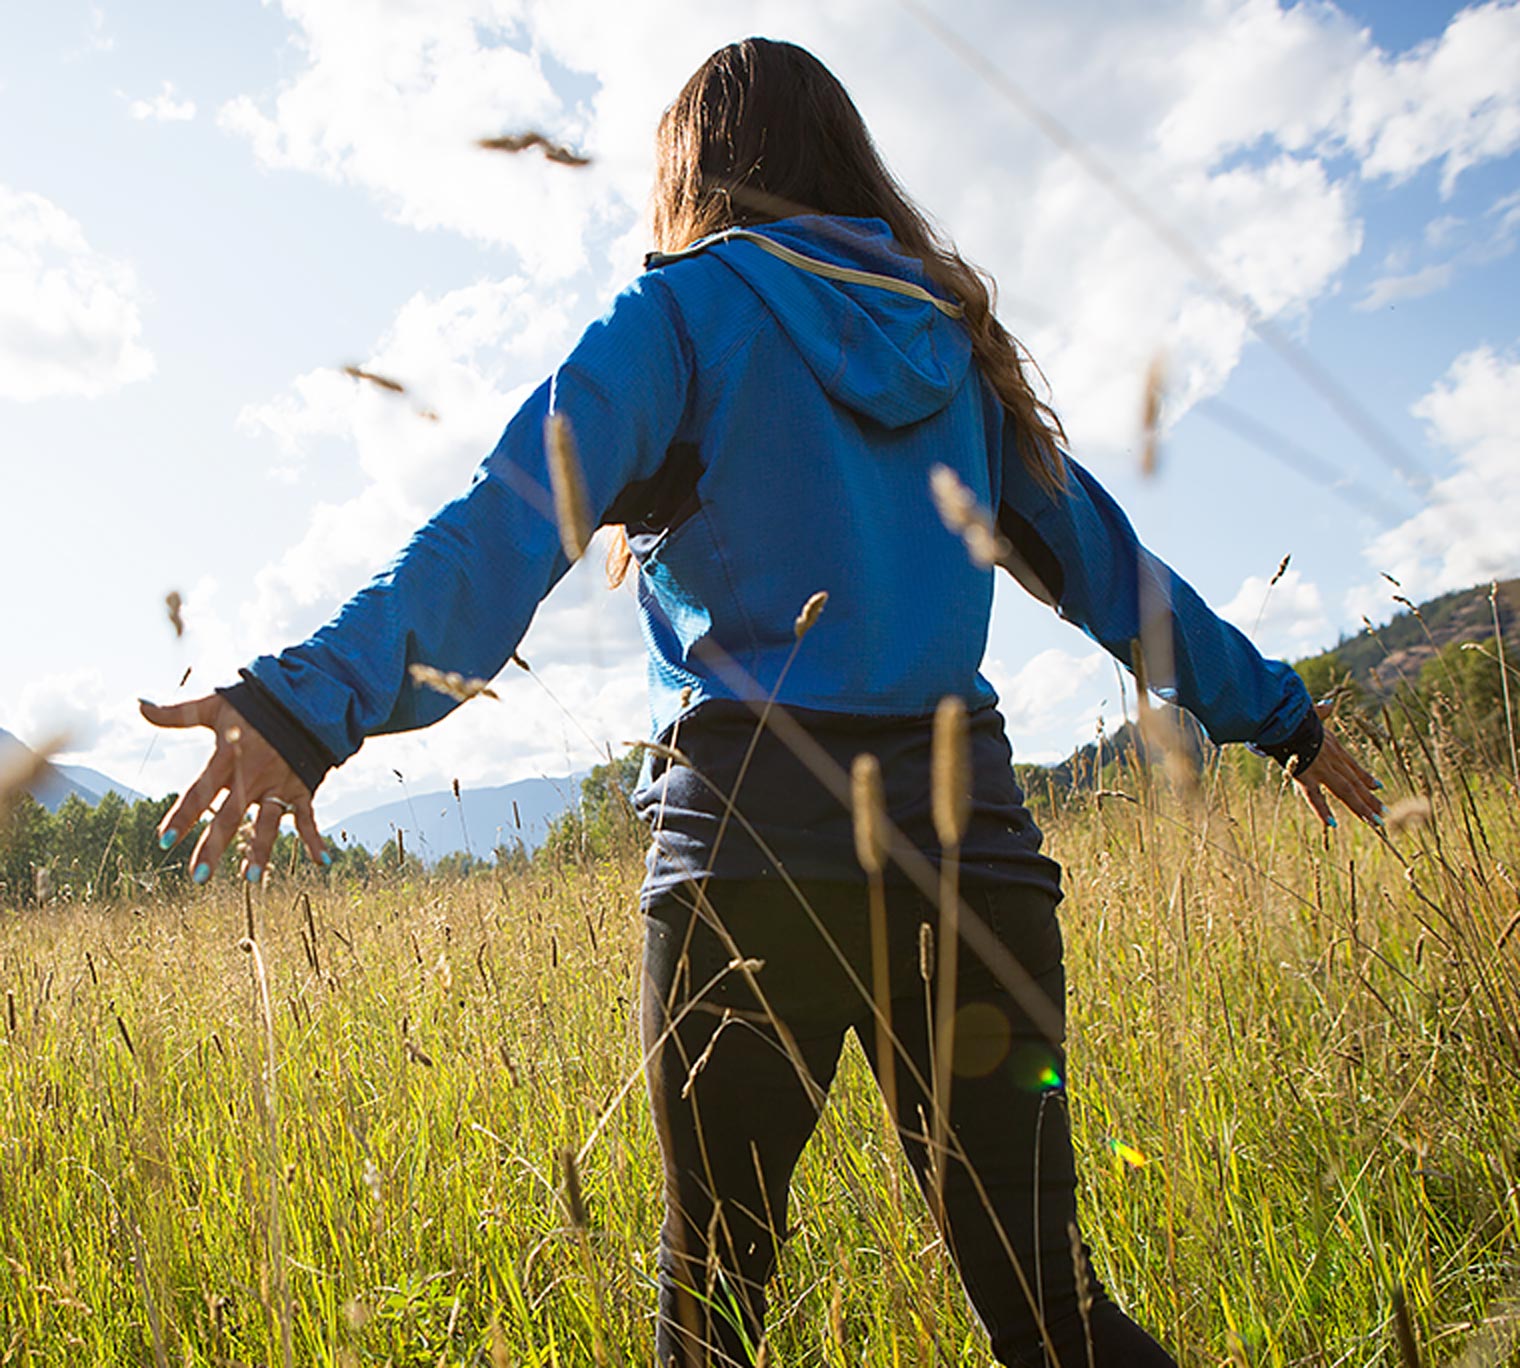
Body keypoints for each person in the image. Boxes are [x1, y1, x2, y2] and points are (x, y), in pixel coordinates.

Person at [141, 37, 1383, 1368]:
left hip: (748, 865)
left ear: (694, 173)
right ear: (846, 161)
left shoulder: (676, 318)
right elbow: (1116, 576)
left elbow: (505, 526)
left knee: (714, 1318)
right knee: (1055, 1314)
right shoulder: (956, 354)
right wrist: (1285, 721)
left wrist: (301, 705)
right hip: (969, 861)